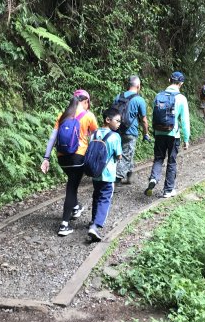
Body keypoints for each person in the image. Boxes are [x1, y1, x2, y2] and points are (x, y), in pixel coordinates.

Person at [41, 89, 98, 236]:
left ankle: (76, 207)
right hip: (78, 157)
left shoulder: (63, 115)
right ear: (85, 102)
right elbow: (97, 137)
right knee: (71, 188)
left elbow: (53, 138)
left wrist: (46, 158)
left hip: (62, 158)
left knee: (72, 182)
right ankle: (64, 224)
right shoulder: (88, 116)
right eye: (88, 103)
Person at [144, 71, 190, 198]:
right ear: (181, 83)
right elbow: (185, 121)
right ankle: (168, 190)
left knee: (159, 158)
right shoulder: (181, 98)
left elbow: (154, 115)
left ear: (169, 80)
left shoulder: (159, 95)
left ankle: (153, 178)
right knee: (171, 161)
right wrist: (186, 139)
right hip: (173, 135)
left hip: (159, 132)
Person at [88, 107, 123, 242]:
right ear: (108, 120)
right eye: (117, 121)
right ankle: (95, 226)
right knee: (105, 198)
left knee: (96, 196)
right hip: (108, 174)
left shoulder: (94, 134)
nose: (119, 123)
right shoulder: (115, 137)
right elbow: (118, 155)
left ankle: (93, 220)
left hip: (95, 172)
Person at [113, 75, 150, 185]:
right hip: (130, 132)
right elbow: (143, 119)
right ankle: (117, 179)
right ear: (138, 86)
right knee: (126, 154)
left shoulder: (118, 96)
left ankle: (130, 175)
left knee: (126, 152)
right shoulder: (139, 100)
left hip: (117, 129)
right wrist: (146, 133)